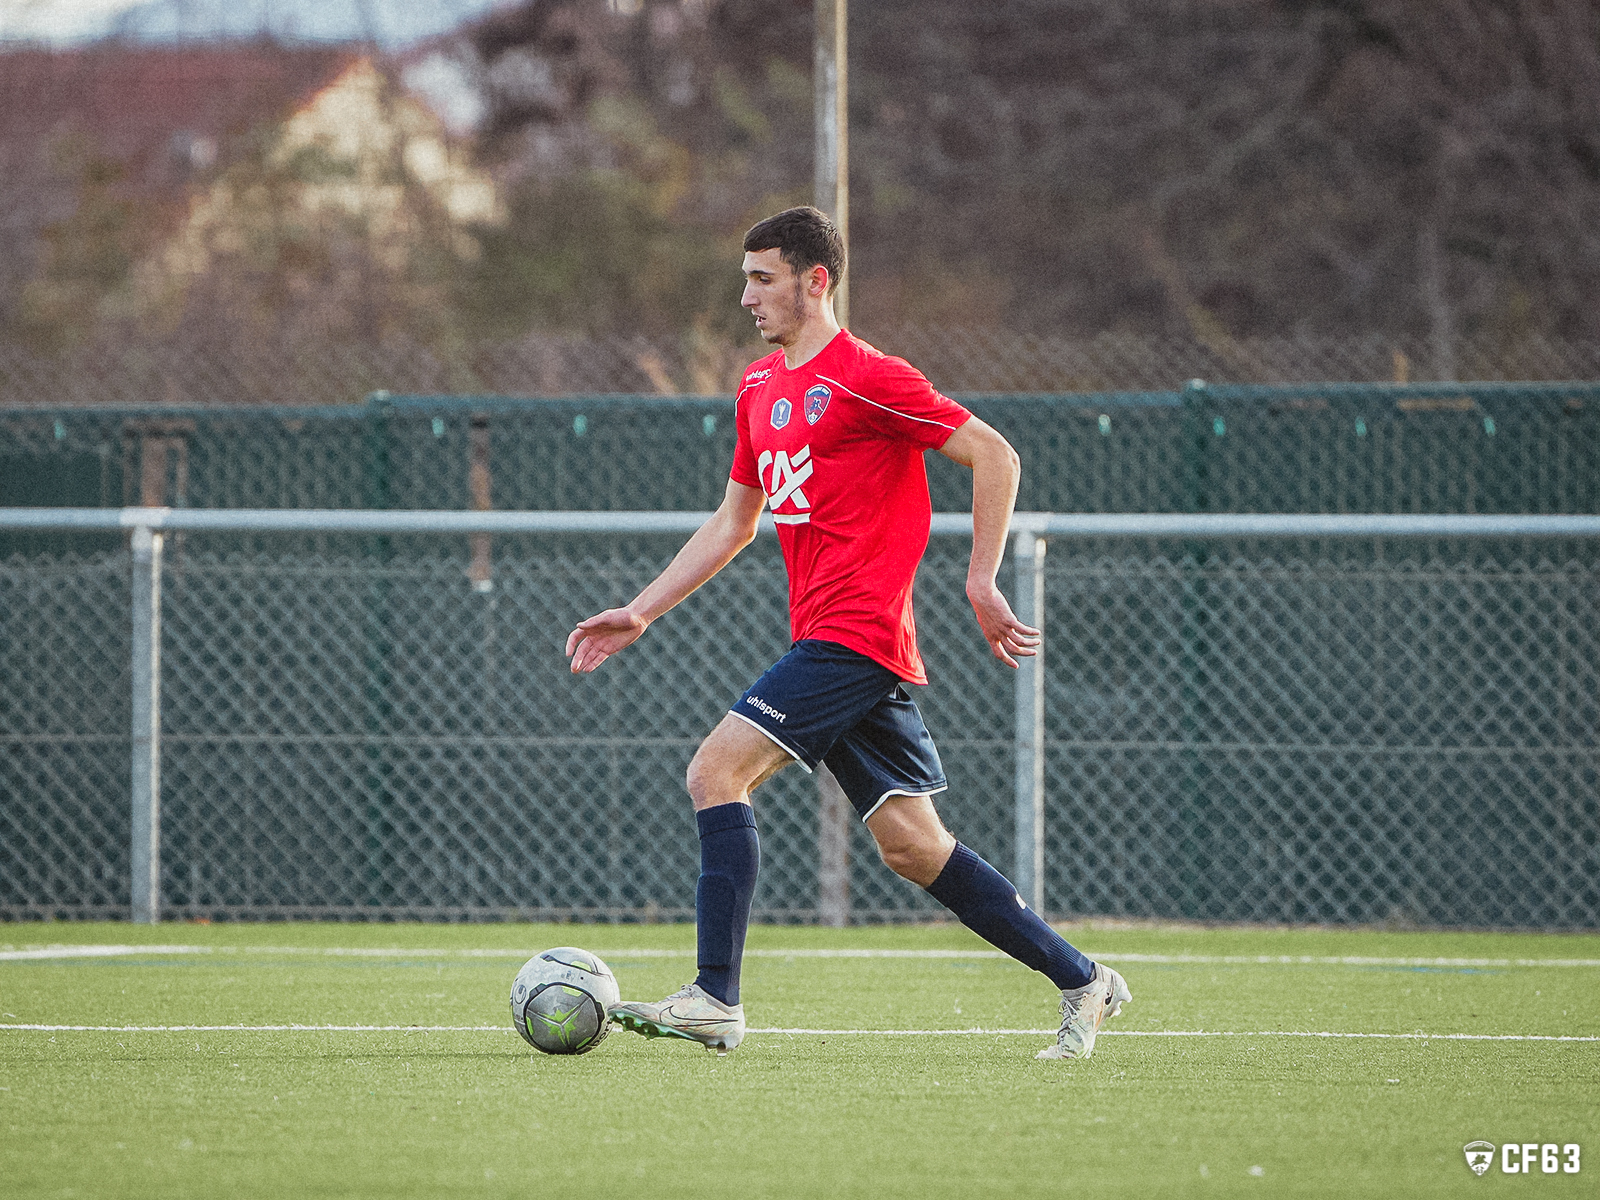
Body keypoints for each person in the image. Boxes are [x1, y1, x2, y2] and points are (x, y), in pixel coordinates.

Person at [565, 206, 1130, 1060]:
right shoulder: (759, 388)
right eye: (745, 278)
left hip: (854, 636)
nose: (747, 296)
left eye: (762, 278)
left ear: (814, 280)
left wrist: (980, 578)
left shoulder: (869, 377)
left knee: (716, 770)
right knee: (912, 846)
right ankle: (1084, 980)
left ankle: (716, 998)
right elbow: (734, 522)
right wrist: (641, 609)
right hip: (836, 642)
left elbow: (995, 454)